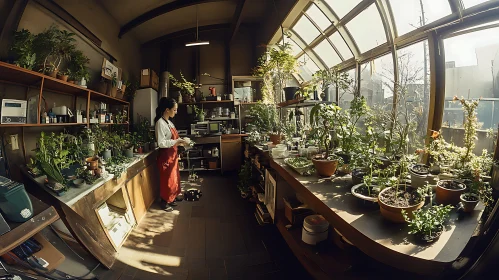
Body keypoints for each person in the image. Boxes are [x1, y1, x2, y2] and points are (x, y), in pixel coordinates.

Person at [155, 97, 187, 212]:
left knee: (174, 178)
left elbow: (175, 138)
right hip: (165, 156)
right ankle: (164, 202)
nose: (176, 112)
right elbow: (161, 143)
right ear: (167, 110)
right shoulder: (160, 123)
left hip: (172, 154)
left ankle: (172, 198)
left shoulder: (169, 123)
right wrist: (176, 142)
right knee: (167, 180)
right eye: (174, 110)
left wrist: (182, 141)